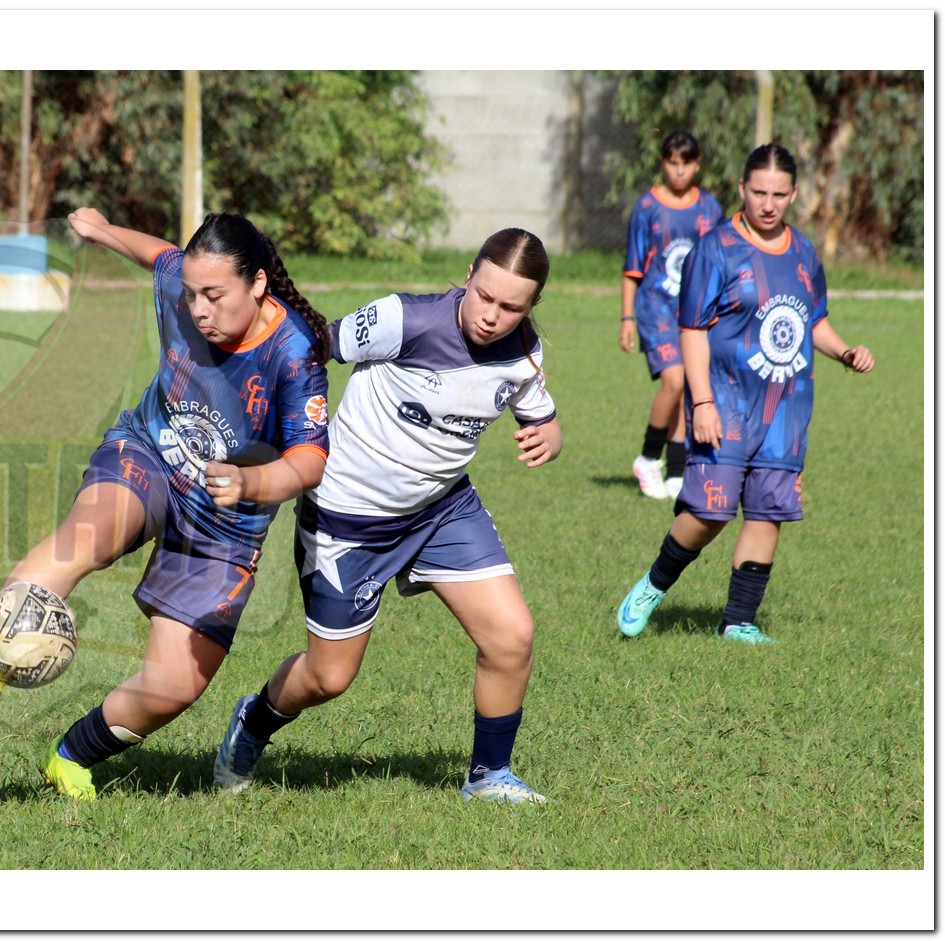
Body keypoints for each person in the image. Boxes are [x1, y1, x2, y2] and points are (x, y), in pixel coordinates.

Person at [0, 208, 332, 801]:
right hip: (147, 452)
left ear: (256, 284)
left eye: (215, 295)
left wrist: (252, 484)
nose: (198, 309)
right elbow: (161, 255)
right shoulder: (183, 281)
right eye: (193, 294)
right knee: (87, 536)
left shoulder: (292, 354)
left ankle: (73, 756)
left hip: (225, 520)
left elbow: (309, 461)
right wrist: (102, 231)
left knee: (175, 685)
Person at [212, 228, 563, 804]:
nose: (493, 316)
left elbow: (538, 414)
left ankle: (488, 776)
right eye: (485, 297)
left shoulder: (524, 352)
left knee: (512, 637)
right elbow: (308, 347)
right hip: (349, 520)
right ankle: (254, 720)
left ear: (532, 307)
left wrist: (548, 435)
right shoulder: (405, 319)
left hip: (442, 512)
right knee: (329, 678)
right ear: (469, 274)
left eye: (512, 307)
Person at [616, 143, 874, 645]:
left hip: (787, 407)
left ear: (795, 194)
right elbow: (692, 328)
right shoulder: (716, 248)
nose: (769, 203)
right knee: (709, 511)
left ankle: (739, 621)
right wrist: (703, 402)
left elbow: (812, 319)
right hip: (725, 401)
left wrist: (843, 352)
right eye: (759, 192)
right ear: (741, 189)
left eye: (779, 194)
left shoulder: (803, 252)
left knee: (767, 512)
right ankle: (652, 585)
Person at [621, 131, 725, 501]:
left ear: (697, 165)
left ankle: (677, 468)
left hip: (694, 311)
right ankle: (649, 457)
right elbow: (633, 266)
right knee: (675, 380)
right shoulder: (648, 206)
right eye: (672, 163)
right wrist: (626, 318)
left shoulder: (710, 208)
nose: (679, 171)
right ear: (663, 163)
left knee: (691, 383)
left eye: (686, 163)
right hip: (655, 308)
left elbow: (721, 260)